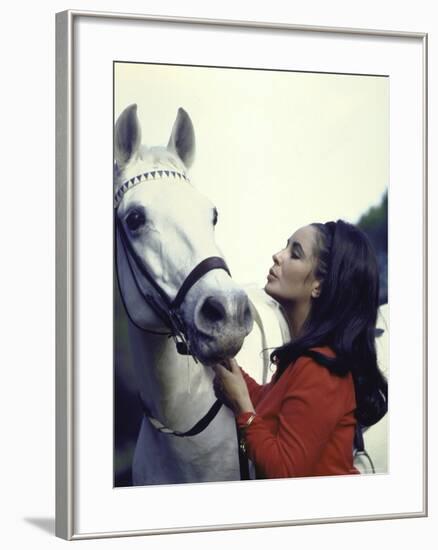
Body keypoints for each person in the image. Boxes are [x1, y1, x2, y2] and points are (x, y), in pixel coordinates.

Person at [213, 220, 388, 479]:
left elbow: (285, 474)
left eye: (294, 254)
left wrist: (242, 409)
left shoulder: (321, 368)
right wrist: (222, 360)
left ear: (319, 285)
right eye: (285, 247)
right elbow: (268, 404)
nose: (277, 256)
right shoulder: (305, 360)